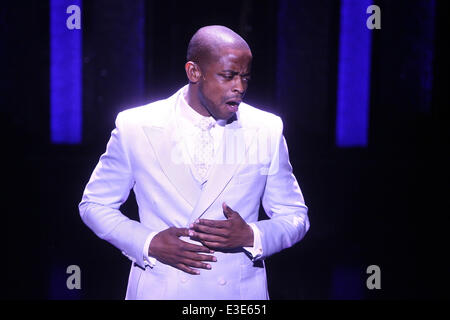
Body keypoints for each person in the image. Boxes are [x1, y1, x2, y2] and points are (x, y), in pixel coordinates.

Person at [79, 25, 309, 300]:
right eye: (228, 76)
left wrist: (252, 235)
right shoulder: (135, 126)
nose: (240, 87)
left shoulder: (266, 128)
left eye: (246, 77)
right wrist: (148, 243)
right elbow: (94, 205)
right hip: (161, 287)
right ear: (194, 72)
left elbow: (295, 216)